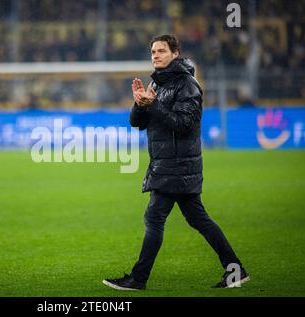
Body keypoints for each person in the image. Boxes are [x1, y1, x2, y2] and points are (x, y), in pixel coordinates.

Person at [103, 35, 249, 291]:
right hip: (170, 166)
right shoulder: (158, 84)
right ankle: (235, 270)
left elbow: (183, 125)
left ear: (175, 53)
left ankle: (138, 279)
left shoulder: (187, 85)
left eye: (161, 51)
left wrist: (154, 105)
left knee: (154, 218)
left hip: (177, 167)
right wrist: (139, 105)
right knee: (198, 219)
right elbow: (138, 123)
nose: (155, 55)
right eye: (152, 52)